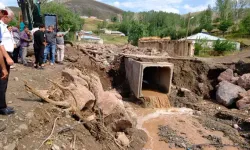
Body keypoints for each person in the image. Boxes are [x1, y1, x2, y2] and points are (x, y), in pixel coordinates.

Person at [0, 8, 15, 115]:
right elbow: (0, 45)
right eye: (10, 18)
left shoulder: (4, 27)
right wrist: (7, 57)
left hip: (6, 55)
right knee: (3, 80)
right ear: (5, 16)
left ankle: (2, 104)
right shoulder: (1, 26)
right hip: (3, 57)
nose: (11, 20)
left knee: (3, 81)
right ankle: (1, 107)